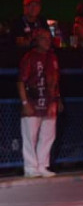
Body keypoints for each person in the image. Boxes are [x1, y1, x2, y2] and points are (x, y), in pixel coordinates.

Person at [18, 29, 61, 177]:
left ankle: (43, 165)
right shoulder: (29, 57)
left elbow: (55, 81)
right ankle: (30, 166)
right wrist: (25, 103)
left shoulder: (53, 57)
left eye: (49, 38)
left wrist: (57, 98)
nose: (48, 41)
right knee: (31, 135)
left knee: (48, 135)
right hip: (33, 101)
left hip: (49, 102)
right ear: (36, 40)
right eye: (44, 38)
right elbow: (21, 82)